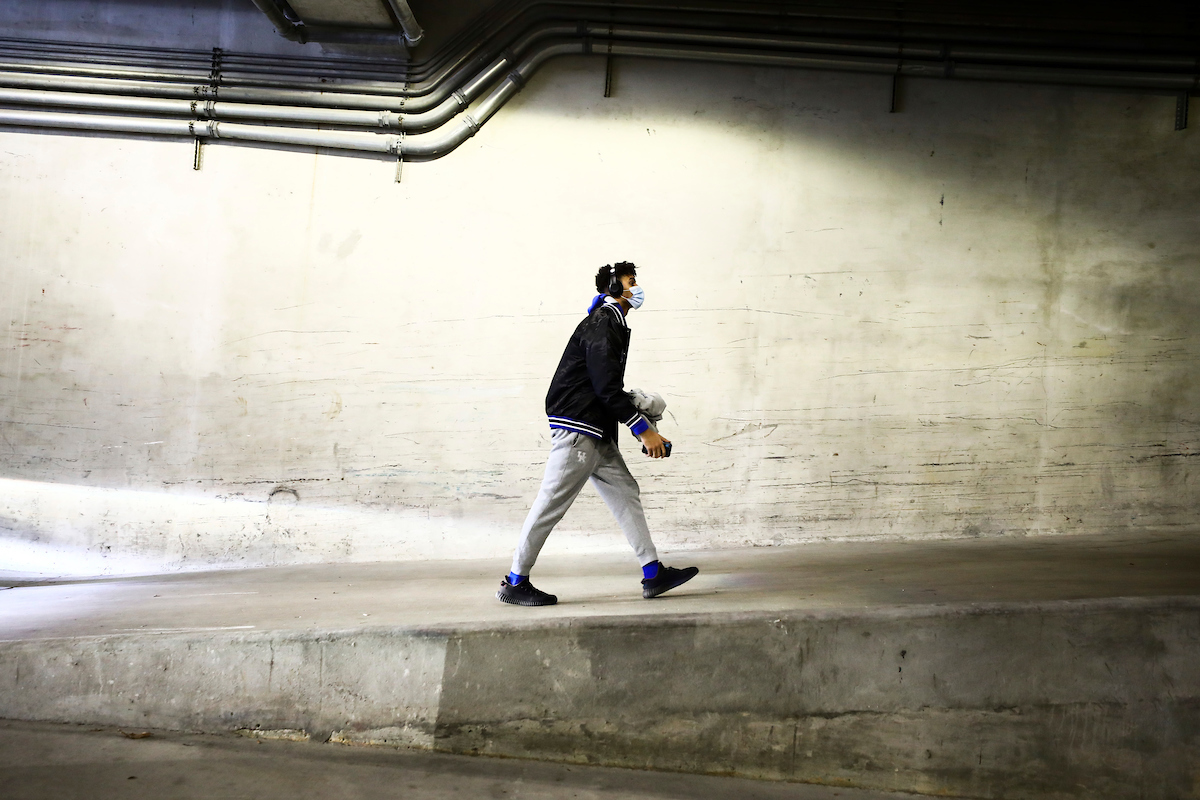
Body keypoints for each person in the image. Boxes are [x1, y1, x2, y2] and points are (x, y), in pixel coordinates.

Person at [497, 261, 699, 607]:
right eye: (631, 281)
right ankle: (515, 581)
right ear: (614, 287)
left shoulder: (610, 322)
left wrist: (642, 426)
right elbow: (606, 388)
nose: (636, 288)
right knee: (551, 503)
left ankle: (653, 574)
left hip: (595, 431)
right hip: (578, 429)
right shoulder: (604, 323)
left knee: (625, 492)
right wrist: (643, 430)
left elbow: (605, 388)